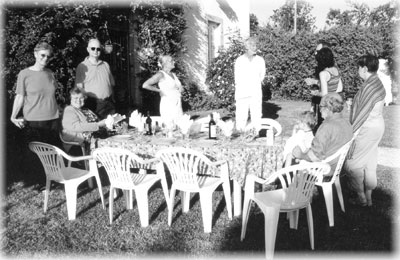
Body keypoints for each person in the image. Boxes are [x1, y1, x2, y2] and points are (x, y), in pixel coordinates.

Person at [345, 54, 386, 207]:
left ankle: (361, 198)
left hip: (367, 127)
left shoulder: (369, 86)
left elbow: (362, 113)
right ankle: (369, 198)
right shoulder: (377, 82)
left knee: (353, 163)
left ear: (364, 68)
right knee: (370, 161)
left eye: (358, 67)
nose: (357, 70)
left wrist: (352, 132)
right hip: (378, 126)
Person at [10, 42, 60, 146]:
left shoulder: (50, 73)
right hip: (34, 122)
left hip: (53, 120)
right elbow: (20, 96)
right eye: (43, 55)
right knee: (34, 158)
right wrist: (13, 116)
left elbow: (51, 96)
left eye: (48, 56)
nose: (45, 58)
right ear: (35, 54)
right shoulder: (24, 74)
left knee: (51, 157)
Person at [292, 93, 353, 176]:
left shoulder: (326, 127)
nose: (319, 111)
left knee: (295, 160)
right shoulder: (346, 123)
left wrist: (300, 155)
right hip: (341, 166)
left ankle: (292, 186)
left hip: (327, 167)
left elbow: (315, 157)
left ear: (327, 109)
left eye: (320, 107)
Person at [61, 87, 111, 155]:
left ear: (84, 98)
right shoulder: (69, 110)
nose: (78, 100)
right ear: (70, 99)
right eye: (75, 98)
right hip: (78, 144)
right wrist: (98, 125)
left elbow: (98, 121)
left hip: (95, 140)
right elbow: (76, 127)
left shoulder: (86, 110)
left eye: (81, 98)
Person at [75, 38, 115, 119]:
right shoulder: (82, 66)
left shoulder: (105, 65)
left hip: (108, 103)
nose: (95, 51)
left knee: (111, 128)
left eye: (98, 49)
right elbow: (79, 89)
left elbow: (111, 84)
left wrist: (113, 100)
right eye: (93, 48)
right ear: (88, 49)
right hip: (93, 105)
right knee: (96, 130)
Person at [306, 47, 343, 130]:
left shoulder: (323, 73)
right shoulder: (335, 70)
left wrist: (315, 93)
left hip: (326, 105)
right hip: (334, 103)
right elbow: (339, 88)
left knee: (324, 127)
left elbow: (324, 94)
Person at [142, 54, 183, 129]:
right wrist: (159, 90)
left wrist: (180, 88)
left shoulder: (173, 74)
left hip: (177, 103)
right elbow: (145, 85)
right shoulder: (160, 74)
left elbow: (176, 86)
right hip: (168, 104)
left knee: (179, 127)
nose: (174, 62)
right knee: (169, 128)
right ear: (165, 64)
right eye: (171, 61)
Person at [234, 37, 266, 132]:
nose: (254, 47)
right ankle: (240, 135)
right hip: (242, 92)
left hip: (255, 92)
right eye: (252, 45)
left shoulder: (260, 60)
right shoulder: (239, 60)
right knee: (241, 115)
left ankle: (256, 133)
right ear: (246, 47)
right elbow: (237, 77)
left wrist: (254, 83)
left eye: (255, 45)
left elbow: (262, 76)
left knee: (256, 115)